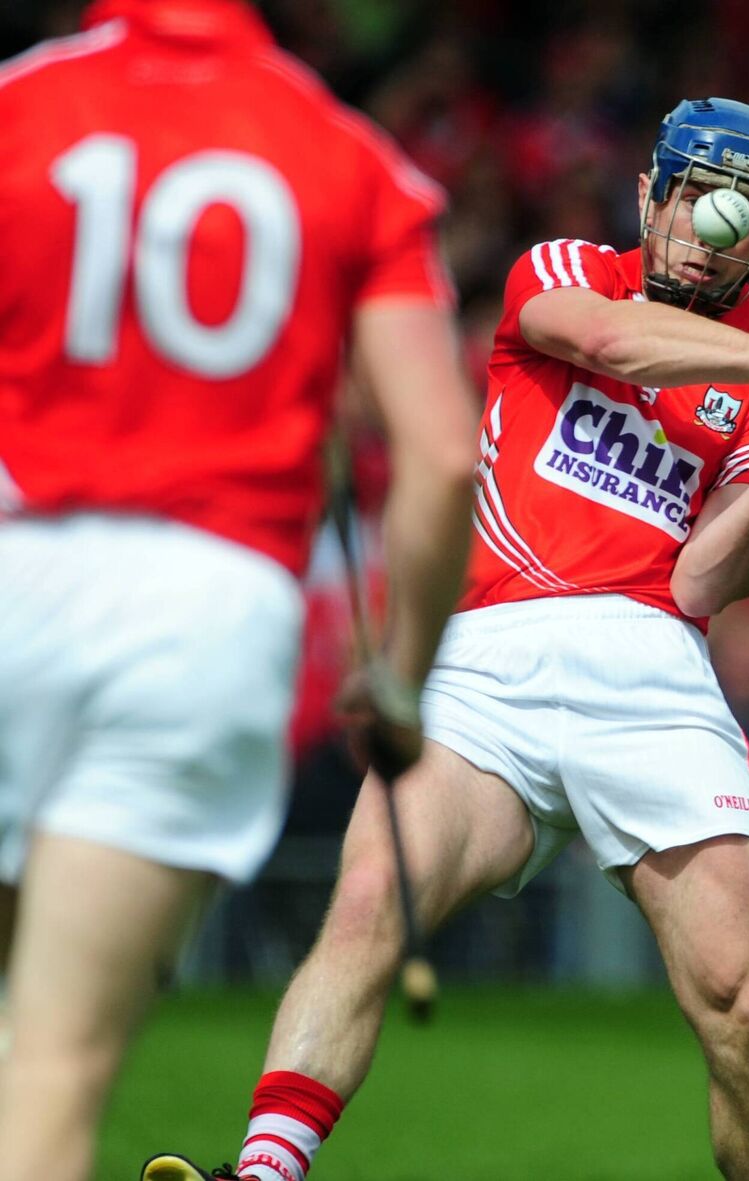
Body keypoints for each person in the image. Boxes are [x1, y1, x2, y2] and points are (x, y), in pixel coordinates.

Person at [144, 97, 749, 1181]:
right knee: (370, 899)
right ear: (652, 195)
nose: (711, 224)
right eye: (693, 194)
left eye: (743, 208)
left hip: (652, 670)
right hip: (488, 658)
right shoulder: (570, 271)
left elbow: (705, 578)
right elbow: (608, 343)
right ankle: (262, 1171)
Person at [0, 1, 479, 1178]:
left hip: (16, 563)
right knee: (52, 1061)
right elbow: (445, 458)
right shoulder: (344, 152)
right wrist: (399, 678)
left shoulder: (21, 101)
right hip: (207, 619)